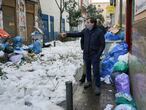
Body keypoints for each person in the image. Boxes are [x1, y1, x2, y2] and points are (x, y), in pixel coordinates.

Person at [61, 17, 105, 95]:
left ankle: (97, 86)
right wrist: (67, 34)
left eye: (88, 22)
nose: (86, 23)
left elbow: (102, 45)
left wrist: (98, 54)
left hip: (95, 55)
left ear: (92, 23)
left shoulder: (99, 32)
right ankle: (88, 81)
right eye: (86, 22)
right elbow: (77, 34)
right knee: (87, 69)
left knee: (95, 71)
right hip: (86, 54)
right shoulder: (85, 31)